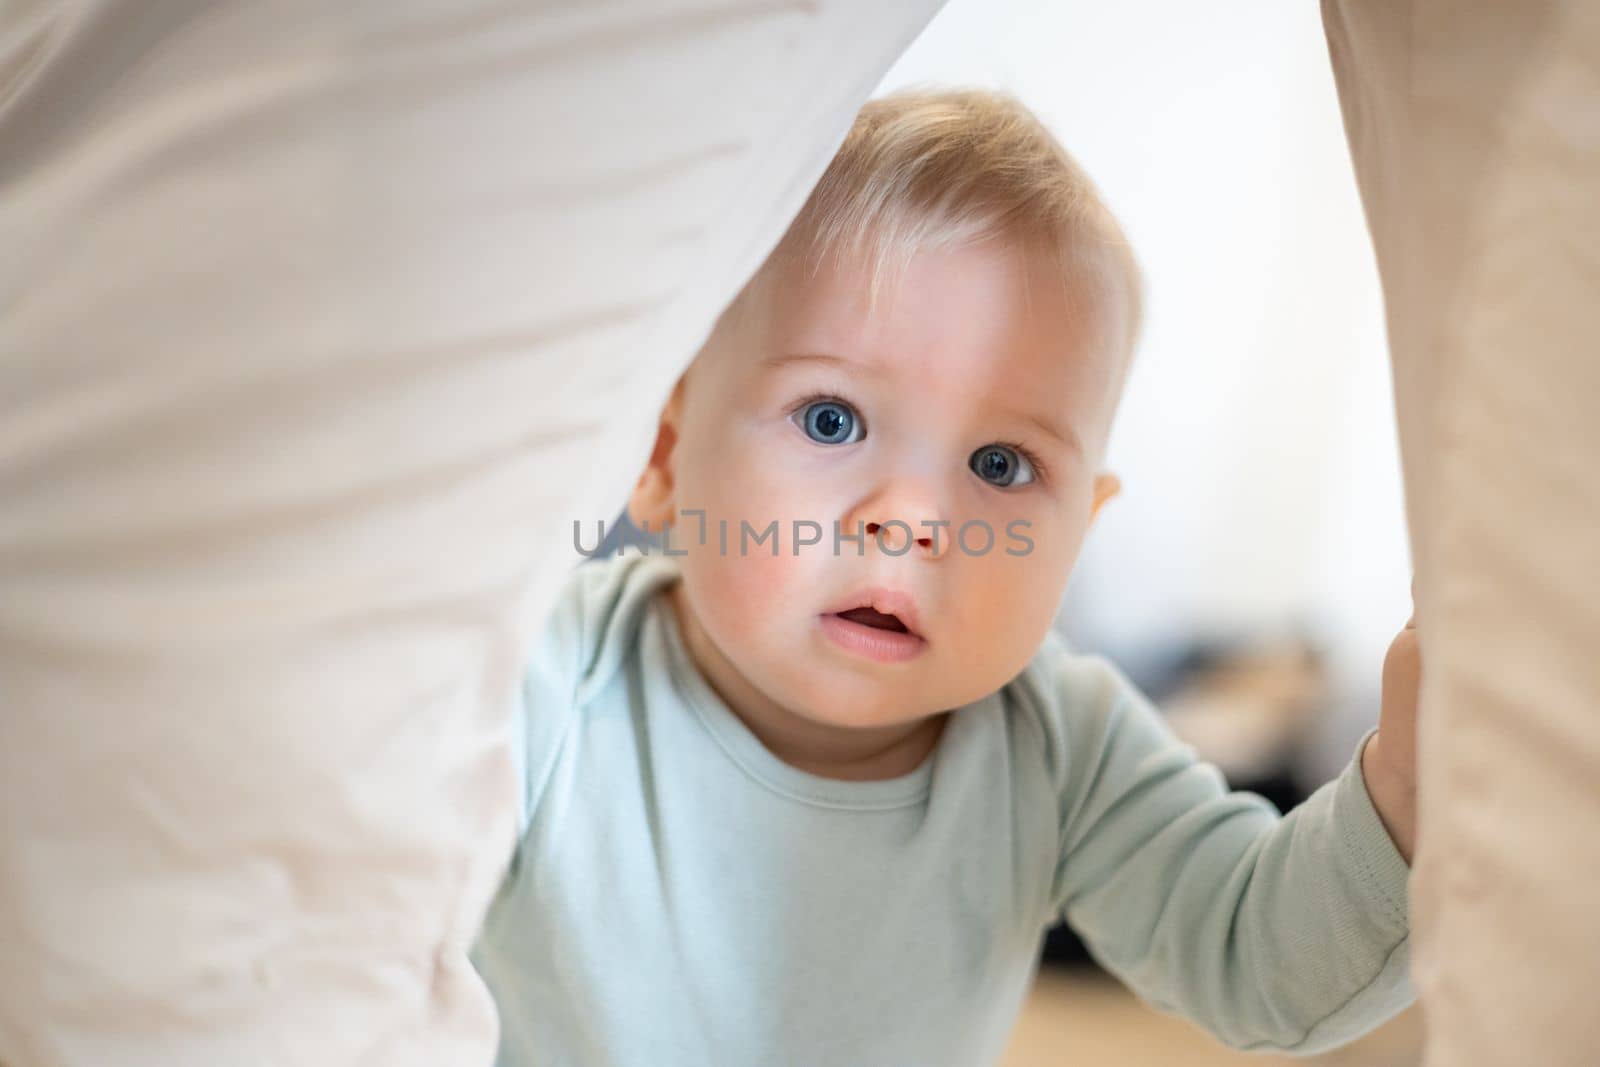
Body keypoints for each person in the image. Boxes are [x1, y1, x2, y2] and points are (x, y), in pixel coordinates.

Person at [470, 89, 1419, 1066]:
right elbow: (358, 896)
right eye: (830, 419)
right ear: (665, 454)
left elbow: (1256, 959)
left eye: (1001, 465)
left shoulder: (1057, 744)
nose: (915, 520)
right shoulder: (545, 679)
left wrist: (1406, 791)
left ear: (1074, 535)